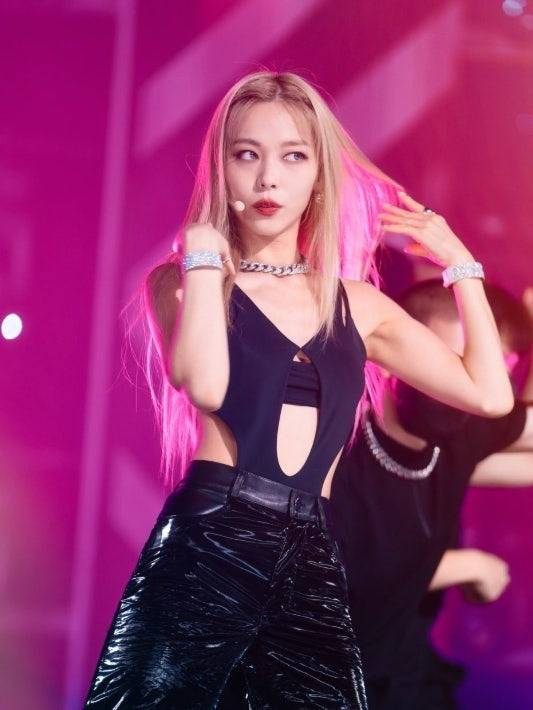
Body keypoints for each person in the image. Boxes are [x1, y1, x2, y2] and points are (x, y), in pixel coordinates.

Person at [84, 71, 513, 709]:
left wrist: (460, 264)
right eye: (246, 155)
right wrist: (202, 255)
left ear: (317, 176)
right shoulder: (185, 279)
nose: (268, 180)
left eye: (292, 157)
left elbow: (489, 396)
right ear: (221, 169)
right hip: (212, 539)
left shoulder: (358, 305)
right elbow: (203, 383)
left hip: (312, 550)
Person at [328, 279, 533, 709]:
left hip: (410, 680)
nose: (464, 384)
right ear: (392, 357)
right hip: (328, 684)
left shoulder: (461, 432)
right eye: (448, 362)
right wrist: (467, 565)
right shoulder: (337, 452)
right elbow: (349, 577)